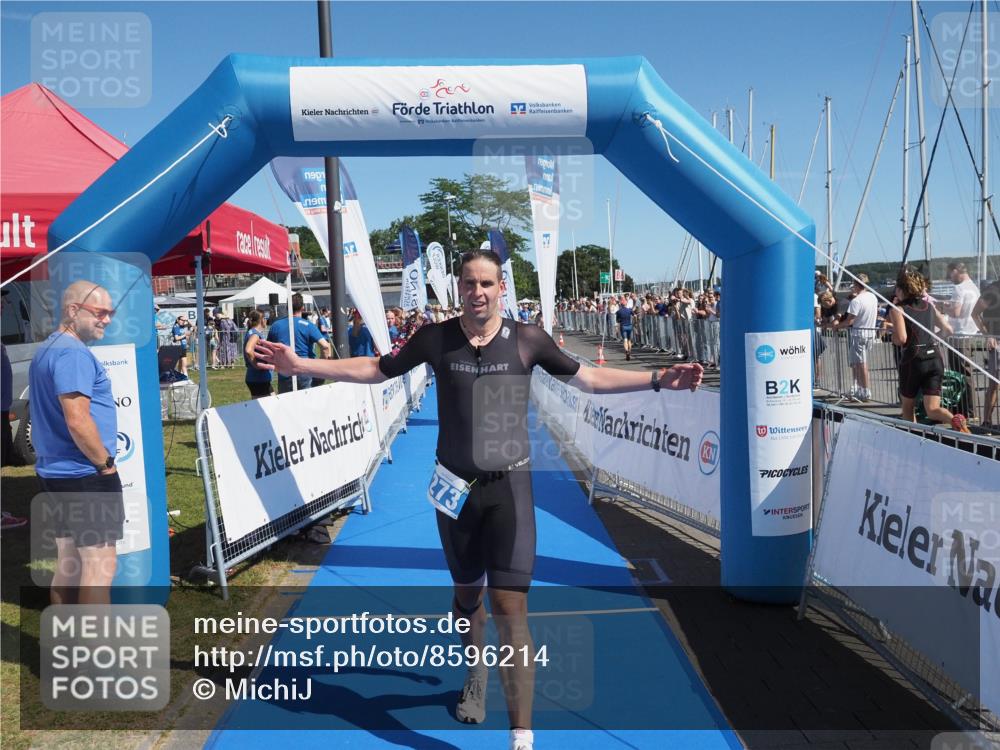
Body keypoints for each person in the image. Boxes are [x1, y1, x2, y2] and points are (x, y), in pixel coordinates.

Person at [254, 249, 703, 750]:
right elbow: (378, 369)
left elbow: (590, 378)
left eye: (487, 283)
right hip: (454, 491)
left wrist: (658, 379)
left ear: (501, 288)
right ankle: (476, 670)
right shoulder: (436, 338)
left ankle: (521, 735)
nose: (477, 292)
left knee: (510, 608)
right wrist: (302, 363)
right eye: (469, 283)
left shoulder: (528, 339)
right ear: (459, 288)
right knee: (468, 598)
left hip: (510, 489)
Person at [29, 280, 123, 603]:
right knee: (100, 566)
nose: (107, 319)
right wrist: (105, 465)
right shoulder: (72, 354)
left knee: (69, 563)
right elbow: (78, 420)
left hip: (57, 472)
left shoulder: (49, 348)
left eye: (111, 313)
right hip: (84, 474)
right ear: (73, 310)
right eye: (100, 312)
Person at [889, 267, 970, 432]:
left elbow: (902, 339)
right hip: (934, 358)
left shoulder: (898, 309)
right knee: (932, 409)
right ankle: (956, 421)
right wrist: (932, 339)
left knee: (908, 406)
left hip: (913, 359)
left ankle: (913, 437)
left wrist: (892, 337)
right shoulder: (929, 306)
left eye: (897, 288)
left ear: (902, 289)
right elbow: (948, 330)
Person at [827, 274, 878, 401]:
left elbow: (850, 321)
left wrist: (836, 326)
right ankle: (861, 389)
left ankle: (865, 391)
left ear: (856, 285)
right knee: (860, 363)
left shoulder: (856, 301)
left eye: (853, 284)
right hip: (870, 333)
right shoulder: (873, 296)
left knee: (861, 364)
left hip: (859, 334)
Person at [265, 294, 331, 393]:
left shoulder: (276, 325)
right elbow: (325, 346)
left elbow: (268, 348)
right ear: (302, 308)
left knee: (286, 400)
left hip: (285, 370)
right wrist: (321, 366)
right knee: (307, 400)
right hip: (305, 369)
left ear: (287, 307)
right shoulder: (308, 325)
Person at [940, 262, 981, 418]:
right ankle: (967, 409)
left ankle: (967, 410)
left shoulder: (959, 288)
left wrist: (942, 307)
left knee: (960, 374)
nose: (949, 277)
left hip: (959, 335)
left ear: (956, 271)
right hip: (971, 333)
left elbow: (956, 312)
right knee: (965, 372)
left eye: (950, 273)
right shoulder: (974, 287)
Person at [973, 280, 1000, 428]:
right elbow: (975, 313)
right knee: (994, 384)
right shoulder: (992, 290)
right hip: (997, 345)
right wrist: (988, 335)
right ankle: (987, 421)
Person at [243, 310, 272, 399]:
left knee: (272, 400)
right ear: (262, 320)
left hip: (257, 377)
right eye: (266, 318)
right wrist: (256, 365)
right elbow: (248, 350)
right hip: (258, 378)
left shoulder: (251, 332)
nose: (266, 321)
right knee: (264, 404)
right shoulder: (255, 334)